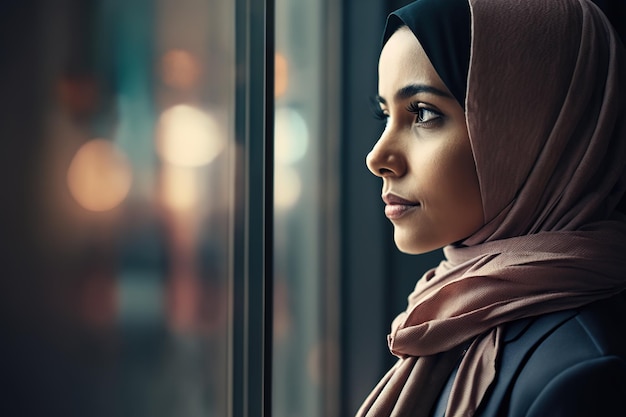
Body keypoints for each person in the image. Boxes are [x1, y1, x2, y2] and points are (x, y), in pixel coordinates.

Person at [358, 0, 626, 415]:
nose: (377, 157)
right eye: (384, 115)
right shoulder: (445, 315)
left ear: (530, 130)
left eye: (424, 113)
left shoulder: (581, 378)